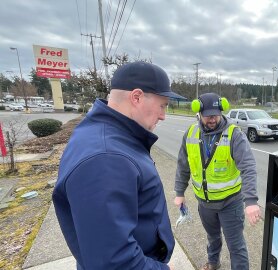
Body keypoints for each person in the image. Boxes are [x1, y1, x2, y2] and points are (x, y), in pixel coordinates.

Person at [53, 61, 185, 270]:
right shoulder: (107, 158)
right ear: (137, 97)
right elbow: (113, 262)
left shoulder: (111, 135)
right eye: (162, 105)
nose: (163, 115)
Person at [174, 92, 261, 270]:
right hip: (204, 203)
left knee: (236, 246)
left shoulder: (234, 135)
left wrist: (251, 200)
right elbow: (183, 165)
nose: (212, 119)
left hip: (230, 203)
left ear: (222, 111)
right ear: (198, 113)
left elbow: (248, 167)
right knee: (212, 237)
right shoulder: (190, 133)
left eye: (215, 114)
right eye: (207, 116)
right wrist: (179, 192)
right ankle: (213, 263)